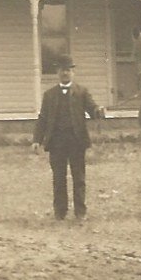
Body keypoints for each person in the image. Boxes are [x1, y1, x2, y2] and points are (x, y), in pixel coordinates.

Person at [33, 55, 105, 220]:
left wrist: (98, 111)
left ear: (73, 72)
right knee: (59, 178)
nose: (65, 73)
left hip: (76, 141)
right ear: (57, 72)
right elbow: (42, 119)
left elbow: (92, 109)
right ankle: (60, 212)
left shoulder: (82, 92)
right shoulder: (49, 95)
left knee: (79, 177)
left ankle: (80, 212)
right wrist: (36, 140)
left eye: (68, 70)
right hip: (56, 142)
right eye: (62, 70)